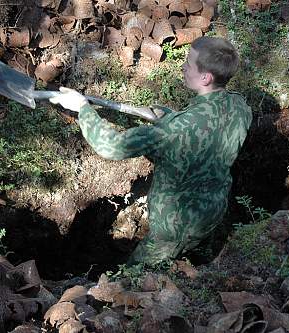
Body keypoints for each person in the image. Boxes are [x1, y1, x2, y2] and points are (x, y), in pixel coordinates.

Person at [49, 36, 252, 265]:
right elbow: (205, 129)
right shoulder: (239, 106)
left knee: (132, 277)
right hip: (214, 209)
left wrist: (82, 108)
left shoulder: (174, 131)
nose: (183, 66)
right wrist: (169, 115)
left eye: (189, 63)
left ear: (206, 77)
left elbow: (111, 146)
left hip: (175, 227)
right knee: (199, 256)